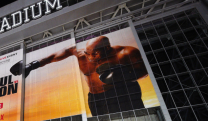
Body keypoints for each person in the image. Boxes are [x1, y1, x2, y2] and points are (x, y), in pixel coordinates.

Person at [11, 35, 148, 116]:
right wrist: (31, 65)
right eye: (87, 53)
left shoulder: (126, 53)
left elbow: (144, 71)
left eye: (95, 53)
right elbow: (53, 57)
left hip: (123, 93)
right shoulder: (82, 54)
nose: (90, 56)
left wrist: (124, 75)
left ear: (107, 48)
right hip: (96, 97)